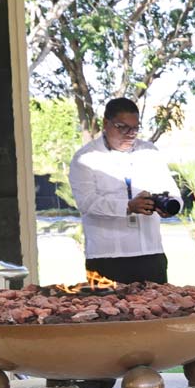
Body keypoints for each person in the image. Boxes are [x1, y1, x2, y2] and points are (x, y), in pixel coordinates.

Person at [68, 98, 181, 285]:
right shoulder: (86, 158)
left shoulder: (150, 153)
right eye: (123, 127)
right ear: (106, 123)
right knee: (109, 313)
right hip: (106, 256)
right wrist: (128, 206)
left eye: (135, 128)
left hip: (150, 253)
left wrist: (168, 207)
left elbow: (173, 193)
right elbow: (87, 203)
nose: (130, 134)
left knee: (159, 312)